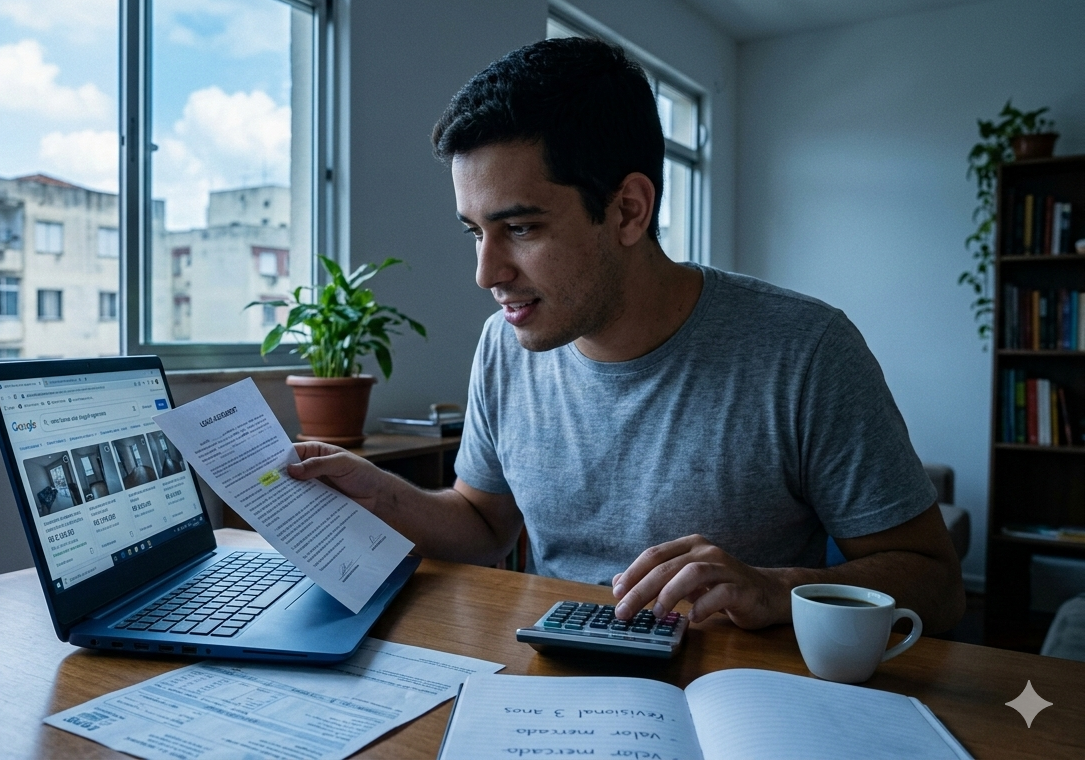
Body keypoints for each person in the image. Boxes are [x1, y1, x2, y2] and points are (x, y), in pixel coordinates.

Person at [287, 37, 964, 634]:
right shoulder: (505, 345)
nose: (486, 272)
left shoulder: (806, 351)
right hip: (547, 686)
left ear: (628, 210)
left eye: (521, 228)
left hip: (733, 702)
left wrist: (778, 589)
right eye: (475, 231)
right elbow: (483, 523)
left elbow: (937, 585)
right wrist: (377, 491)